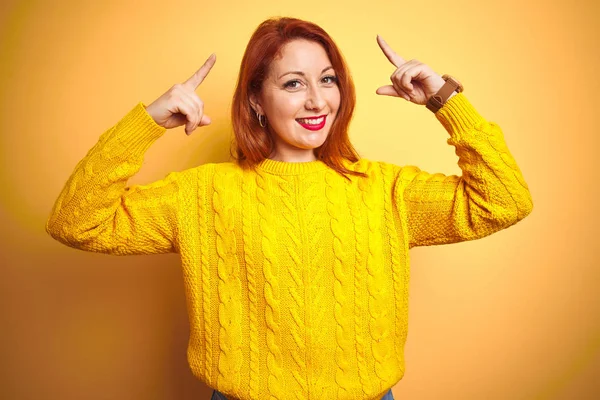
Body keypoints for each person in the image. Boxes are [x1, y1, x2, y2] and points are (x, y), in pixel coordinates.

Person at [45, 16, 533, 400]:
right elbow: (75, 223)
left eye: (327, 79)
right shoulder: (202, 194)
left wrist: (445, 100)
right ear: (257, 99)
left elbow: (505, 201)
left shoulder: (386, 189)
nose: (318, 99)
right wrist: (146, 123)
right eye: (294, 84)